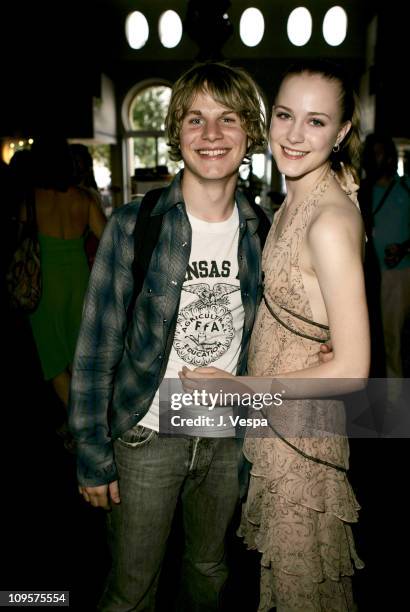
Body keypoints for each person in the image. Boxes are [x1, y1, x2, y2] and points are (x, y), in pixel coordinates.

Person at [68, 61, 269, 611]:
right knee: (132, 590)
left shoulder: (264, 232)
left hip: (228, 440)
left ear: (249, 131)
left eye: (227, 119)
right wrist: (91, 453)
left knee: (209, 572)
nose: (211, 135)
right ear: (176, 133)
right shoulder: (135, 225)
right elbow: (94, 350)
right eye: (195, 120)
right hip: (147, 435)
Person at [181, 59, 370, 611]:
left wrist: (239, 390)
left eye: (316, 122)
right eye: (286, 115)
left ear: (341, 133)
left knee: (300, 589)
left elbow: (354, 371)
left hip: (302, 437)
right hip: (277, 423)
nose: (293, 134)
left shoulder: (328, 218)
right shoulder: (295, 198)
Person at [24, 136, 106, 445]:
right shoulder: (83, 198)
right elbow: (107, 237)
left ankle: (79, 428)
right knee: (78, 357)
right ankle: (87, 421)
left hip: (45, 287)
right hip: (80, 282)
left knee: (54, 360)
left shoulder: (30, 198)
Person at [360, 134, 410, 405]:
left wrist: (404, 247)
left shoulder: (405, 188)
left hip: (403, 272)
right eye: (374, 153)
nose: (379, 158)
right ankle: (394, 403)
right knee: (388, 340)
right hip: (379, 277)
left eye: (382, 152)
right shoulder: (363, 192)